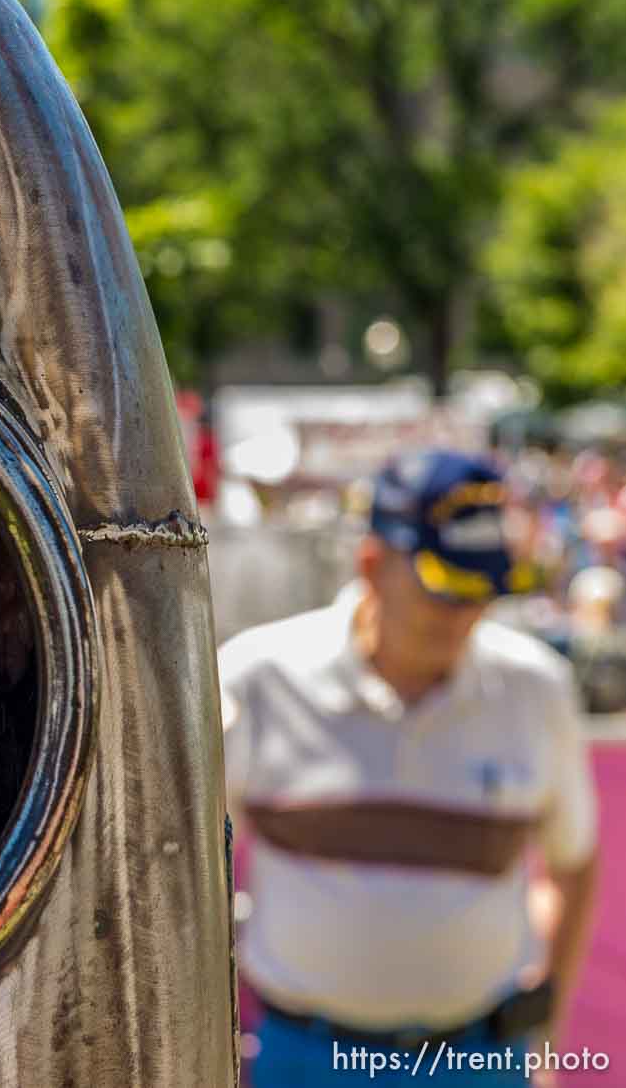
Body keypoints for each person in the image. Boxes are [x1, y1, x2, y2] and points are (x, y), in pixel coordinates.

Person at [221, 450, 600, 1087]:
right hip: (305, 1058)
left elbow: (574, 861)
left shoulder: (537, 687)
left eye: (480, 588)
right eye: (443, 586)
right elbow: (181, 873)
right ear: (371, 563)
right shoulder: (256, 677)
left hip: (482, 1058)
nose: (464, 613)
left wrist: (547, 1034)